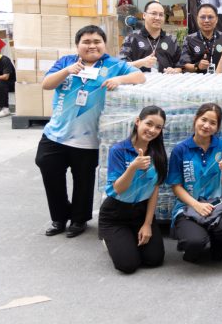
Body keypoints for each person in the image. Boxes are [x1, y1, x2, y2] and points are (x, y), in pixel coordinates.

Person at [37, 26, 145, 238]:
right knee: (49, 171)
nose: (92, 45)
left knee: (83, 180)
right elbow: (46, 84)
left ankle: (79, 220)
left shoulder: (113, 64)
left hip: (89, 139)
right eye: (86, 41)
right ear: (78, 45)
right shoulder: (66, 62)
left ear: (104, 45)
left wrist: (119, 80)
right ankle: (59, 217)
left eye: (97, 41)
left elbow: (139, 76)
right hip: (55, 134)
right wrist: (66, 71)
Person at [166, 103, 222, 263]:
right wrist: (196, 205)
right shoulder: (181, 150)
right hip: (187, 207)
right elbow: (175, 186)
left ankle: (215, 251)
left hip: (216, 206)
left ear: (218, 127)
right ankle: (192, 246)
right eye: (203, 120)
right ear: (195, 119)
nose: (206, 126)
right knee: (195, 242)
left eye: (213, 123)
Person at [99, 106, 168, 273]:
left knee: (154, 259)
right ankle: (111, 240)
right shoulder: (119, 150)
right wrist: (133, 168)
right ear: (138, 122)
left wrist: (147, 224)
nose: (152, 130)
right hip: (116, 213)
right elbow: (119, 189)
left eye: (158, 127)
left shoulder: (158, 153)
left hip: (141, 212)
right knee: (128, 265)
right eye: (149, 124)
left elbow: (155, 189)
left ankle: (129, 238)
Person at [120, 1, 182, 74]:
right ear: (144, 15)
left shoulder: (171, 39)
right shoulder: (132, 38)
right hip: (140, 83)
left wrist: (174, 70)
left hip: (166, 82)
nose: (158, 18)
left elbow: (181, 65)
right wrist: (141, 62)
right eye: (154, 13)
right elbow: (121, 65)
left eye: (161, 15)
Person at [179, 4, 222, 74]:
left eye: (210, 17)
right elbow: (183, 66)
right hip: (197, 81)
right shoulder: (189, 39)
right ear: (197, 19)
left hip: (221, 80)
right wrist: (197, 66)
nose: (206, 20)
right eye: (202, 17)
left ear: (216, 19)